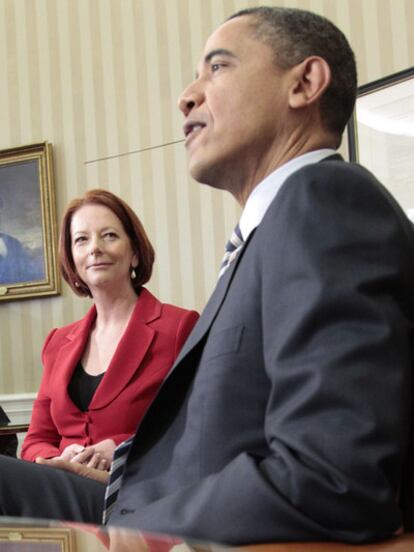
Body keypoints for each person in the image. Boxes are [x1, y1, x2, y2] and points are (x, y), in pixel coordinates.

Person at [1, 6, 414, 546]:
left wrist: (133, 531)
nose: (186, 95)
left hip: (165, 518)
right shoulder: (266, 234)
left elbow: (330, 475)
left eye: (216, 68)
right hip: (123, 490)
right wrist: (115, 462)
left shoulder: (324, 200)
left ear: (305, 83)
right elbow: (220, 430)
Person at [20, 188, 198, 468]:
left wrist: (121, 447)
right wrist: (59, 458)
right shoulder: (56, 342)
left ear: (135, 253)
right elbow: (35, 440)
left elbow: (195, 424)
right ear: (72, 260)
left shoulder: (180, 327)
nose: (94, 248)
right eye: (81, 239)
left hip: (136, 491)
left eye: (109, 235)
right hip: (64, 493)